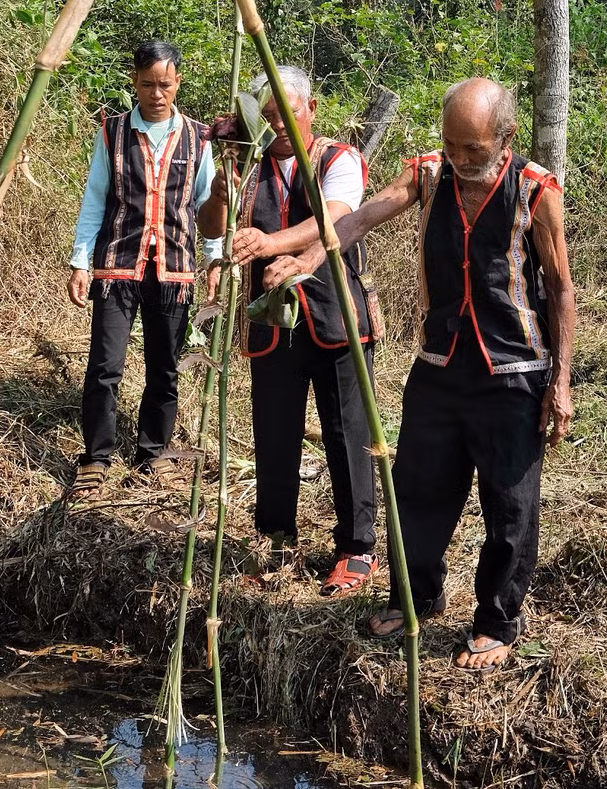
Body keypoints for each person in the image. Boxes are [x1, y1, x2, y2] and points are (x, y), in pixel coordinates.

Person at [264, 77, 575, 671]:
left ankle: (497, 622)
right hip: (439, 365)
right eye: (452, 146)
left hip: (512, 371)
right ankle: (416, 597)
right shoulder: (431, 173)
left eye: (474, 152)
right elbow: (362, 216)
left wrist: (560, 384)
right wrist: (311, 256)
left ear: (505, 139)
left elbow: (561, 288)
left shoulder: (536, 191)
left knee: (510, 505)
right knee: (416, 491)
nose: (460, 161)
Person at [199, 66, 383, 595]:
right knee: (273, 435)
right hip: (270, 324)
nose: (281, 125)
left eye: (290, 113)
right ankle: (277, 542)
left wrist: (266, 243)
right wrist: (221, 183)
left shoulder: (339, 158)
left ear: (312, 110)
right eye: (270, 116)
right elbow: (212, 226)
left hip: (336, 319)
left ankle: (357, 548)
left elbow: (333, 218)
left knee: (349, 434)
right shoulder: (247, 165)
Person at [66, 40, 221, 499]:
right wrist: (80, 259)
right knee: (104, 366)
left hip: (173, 268)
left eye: (166, 85)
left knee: (164, 369)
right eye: (149, 84)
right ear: (134, 81)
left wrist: (213, 257)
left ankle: (153, 454)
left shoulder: (198, 138)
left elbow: (208, 203)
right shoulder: (112, 133)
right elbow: (96, 198)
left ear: (178, 84)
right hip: (117, 265)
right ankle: (95, 457)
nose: (157, 94)